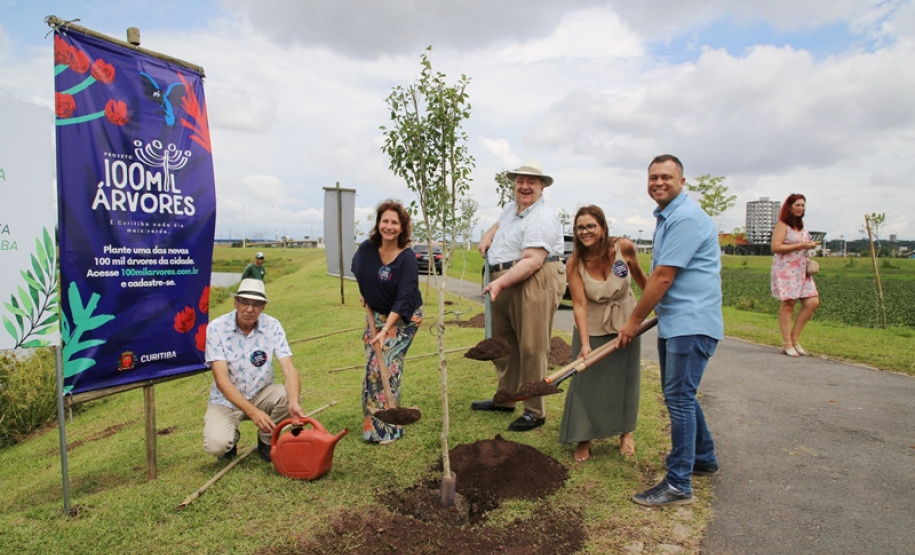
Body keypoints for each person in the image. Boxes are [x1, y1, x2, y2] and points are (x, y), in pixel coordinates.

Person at [618, 154, 723, 507]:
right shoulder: (668, 217)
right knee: (681, 394)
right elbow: (659, 278)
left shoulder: (686, 218)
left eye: (665, 176)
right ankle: (703, 459)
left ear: (682, 181)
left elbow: (664, 277)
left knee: (678, 398)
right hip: (678, 322)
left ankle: (678, 483)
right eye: (652, 178)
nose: (658, 182)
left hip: (691, 324)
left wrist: (633, 321)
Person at [472, 159, 566, 432]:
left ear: (542, 187)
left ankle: (534, 411)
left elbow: (533, 260)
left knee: (531, 346)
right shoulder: (512, 209)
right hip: (506, 278)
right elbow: (499, 224)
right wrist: (489, 234)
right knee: (502, 343)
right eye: (520, 181)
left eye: (531, 182)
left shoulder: (542, 216)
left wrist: (500, 285)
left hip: (533, 278)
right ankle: (506, 398)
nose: (525, 186)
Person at [560, 205, 648, 462]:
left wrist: (652, 310)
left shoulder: (624, 248)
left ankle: (625, 434)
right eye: (580, 227)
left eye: (590, 226)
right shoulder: (574, 262)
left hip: (626, 322)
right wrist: (585, 344)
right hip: (593, 325)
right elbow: (579, 304)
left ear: (602, 228)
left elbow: (644, 281)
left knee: (625, 379)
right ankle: (583, 438)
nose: (585, 231)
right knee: (586, 382)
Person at [203, 278, 306, 461]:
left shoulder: (272, 326)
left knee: (286, 395)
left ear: (263, 306)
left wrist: (294, 402)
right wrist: (253, 412)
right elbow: (222, 381)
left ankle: (267, 440)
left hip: (260, 393)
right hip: (225, 401)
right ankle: (231, 439)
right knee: (216, 445)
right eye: (244, 302)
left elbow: (289, 369)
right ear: (236, 302)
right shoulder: (216, 328)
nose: (250, 309)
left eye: (257, 304)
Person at [351, 200, 423, 444]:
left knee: (386, 365)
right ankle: (373, 426)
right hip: (377, 314)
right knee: (372, 365)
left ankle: (390, 429)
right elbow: (359, 271)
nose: (389, 226)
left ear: (402, 228)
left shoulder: (407, 258)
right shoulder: (366, 249)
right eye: (385, 221)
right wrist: (366, 293)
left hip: (405, 318)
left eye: (395, 222)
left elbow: (404, 299)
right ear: (378, 223)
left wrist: (386, 330)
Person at [770, 194, 820, 357]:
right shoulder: (783, 224)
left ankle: (794, 338)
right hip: (786, 269)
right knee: (788, 304)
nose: (800, 208)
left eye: (803, 205)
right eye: (797, 205)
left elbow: (802, 245)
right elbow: (776, 247)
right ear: (789, 206)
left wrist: (809, 246)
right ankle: (786, 343)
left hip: (801, 269)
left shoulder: (801, 225)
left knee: (812, 302)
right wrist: (801, 245)